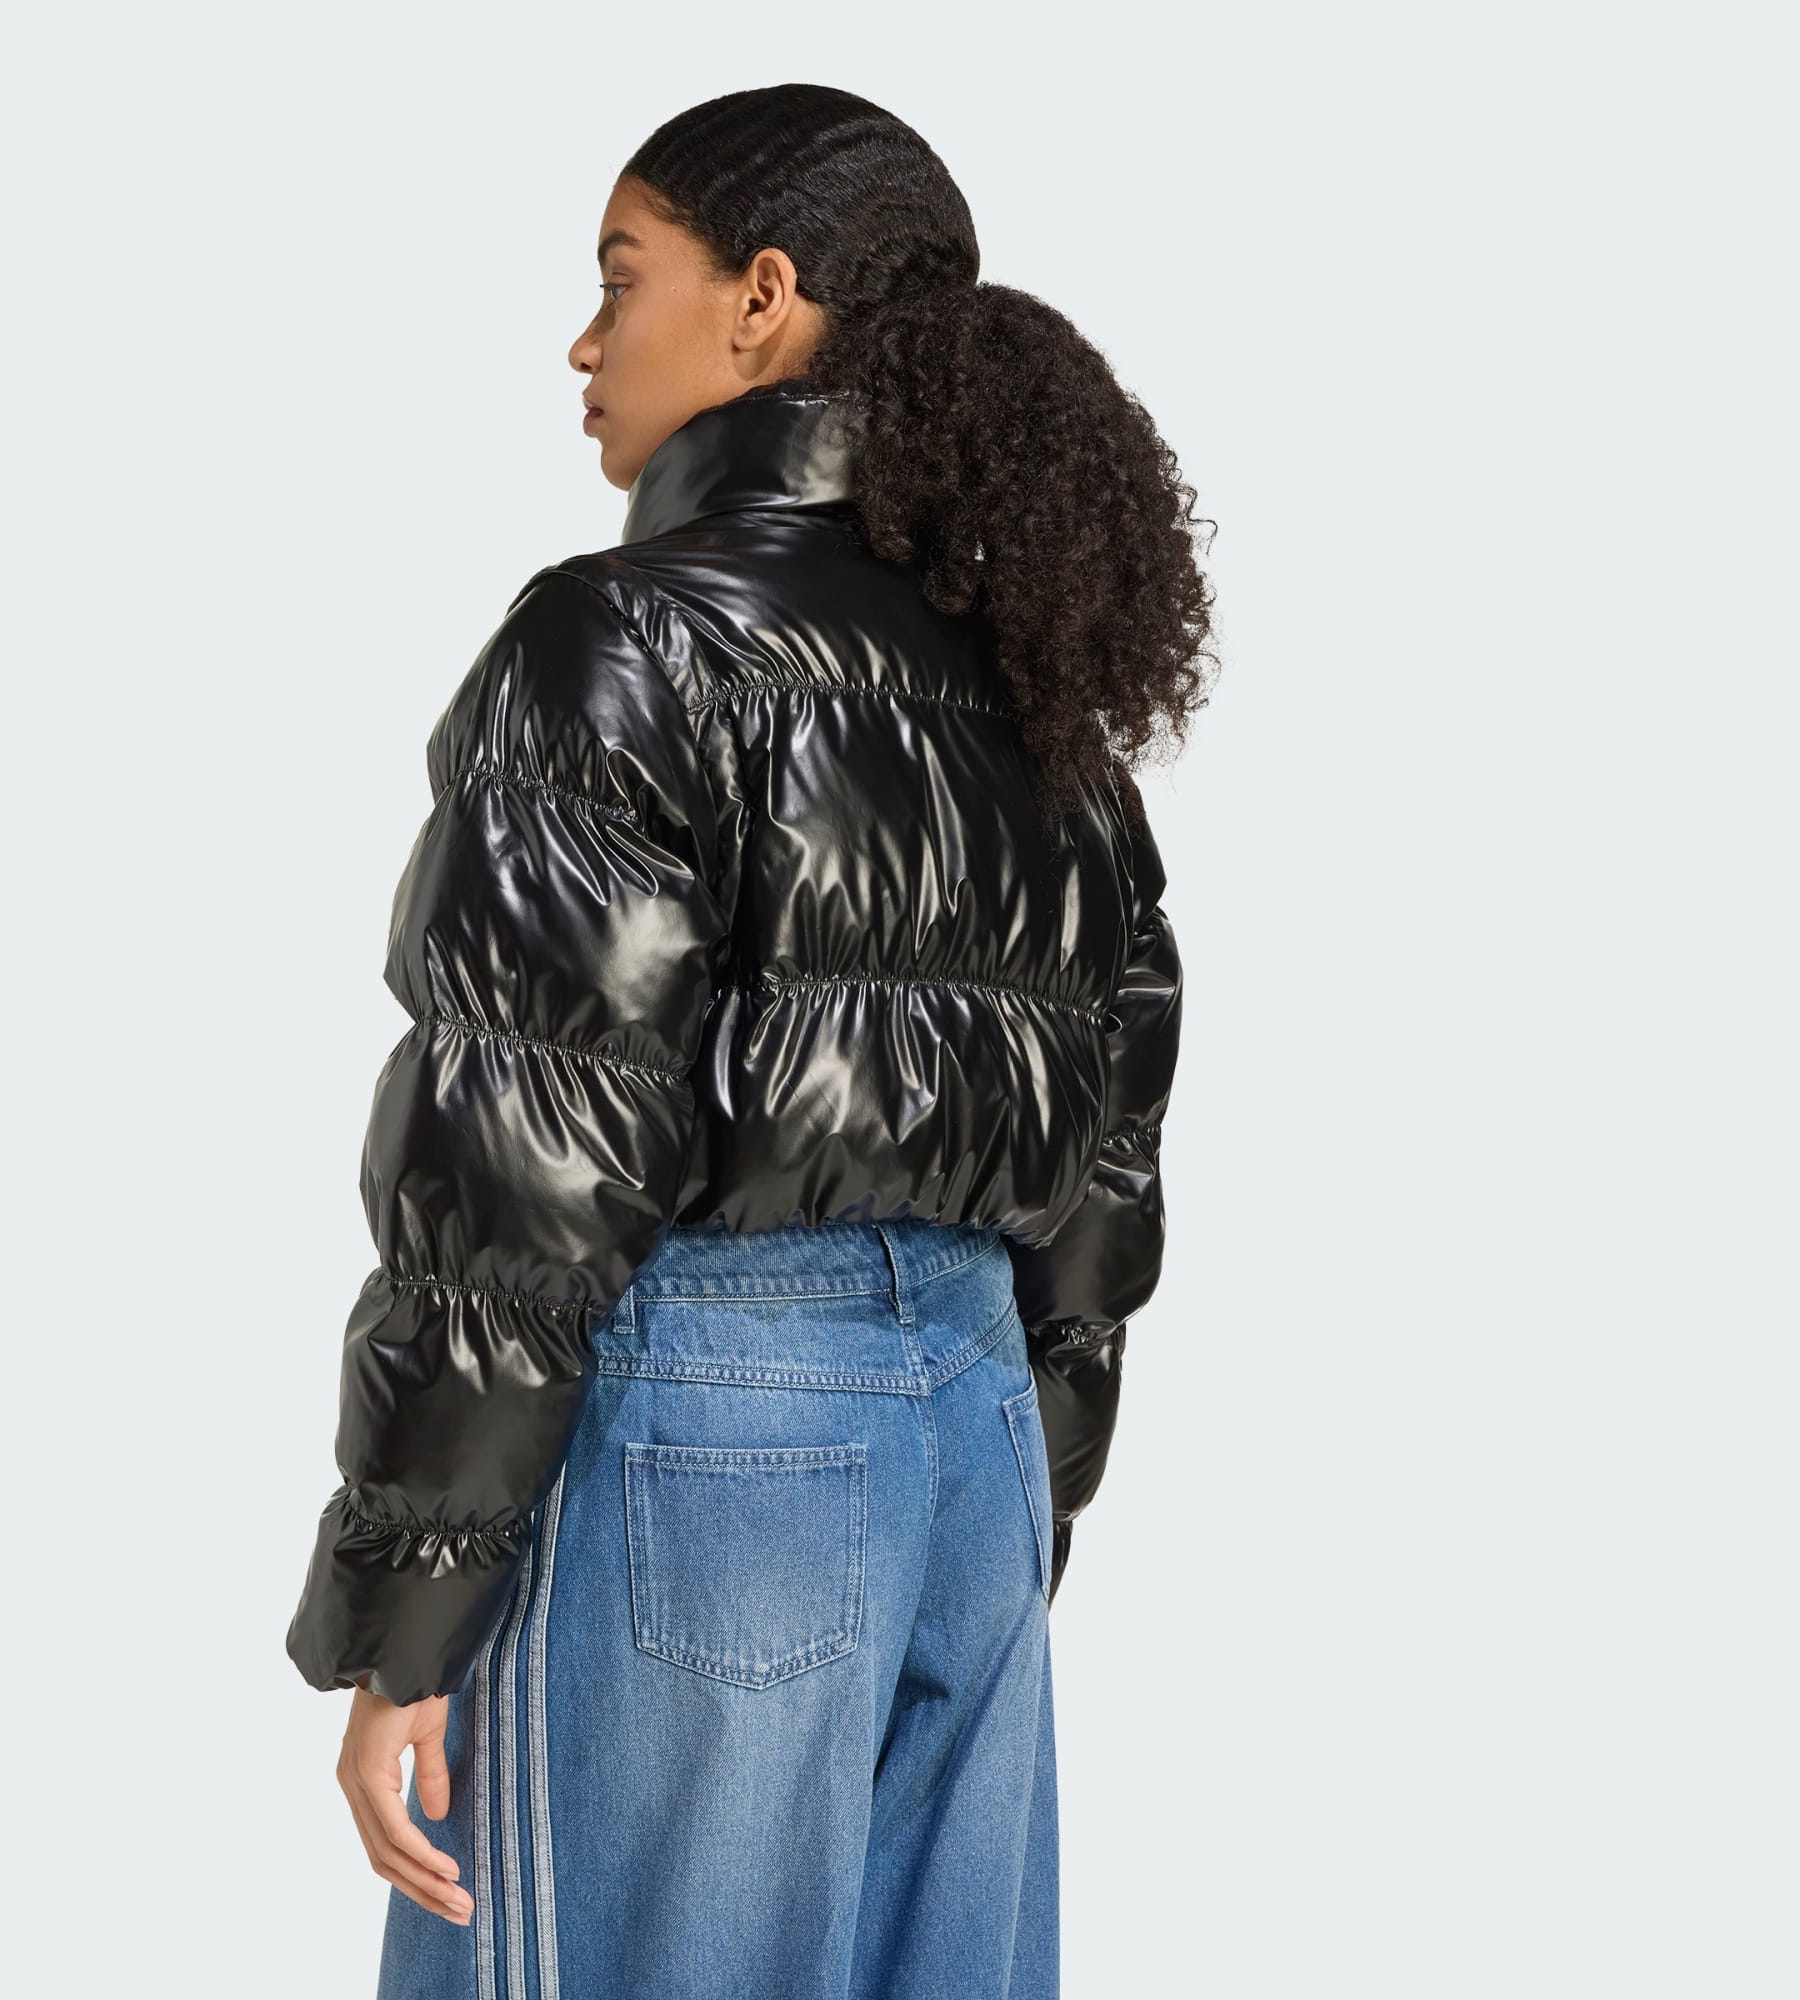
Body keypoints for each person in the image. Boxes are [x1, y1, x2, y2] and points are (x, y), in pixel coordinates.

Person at [284, 82, 1216, 2000]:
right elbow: (1107, 1156)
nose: (585, 339)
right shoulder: (1035, 690)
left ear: (762, 298)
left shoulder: (624, 641)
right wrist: (1007, 1495)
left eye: (622, 276)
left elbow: (521, 1158)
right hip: (968, 1456)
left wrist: (409, 1616)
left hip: (714, 1439)